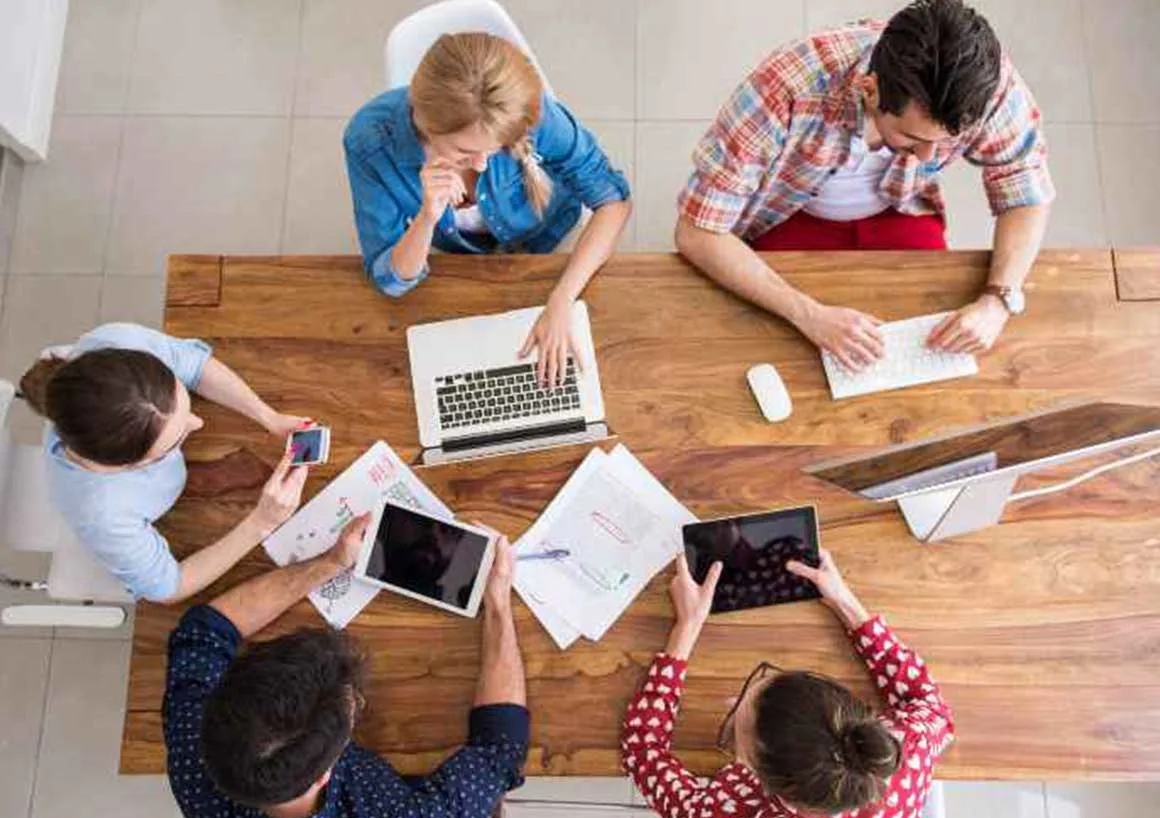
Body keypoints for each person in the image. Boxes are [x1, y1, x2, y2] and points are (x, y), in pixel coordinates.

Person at [674, 0, 1054, 372]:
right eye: (912, 138)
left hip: (902, 206)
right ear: (869, 89)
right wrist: (809, 315)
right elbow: (697, 232)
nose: (927, 157)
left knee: (934, 362)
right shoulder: (784, 88)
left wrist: (998, 300)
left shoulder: (986, 86)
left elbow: (1026, 187)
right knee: (775, 355)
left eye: (943, 142)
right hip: (788, 216)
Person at [164, 515, 529, 818]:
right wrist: (498, 602)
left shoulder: (197, 753)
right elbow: (500, 749)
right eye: (352, 703)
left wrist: (331, 562)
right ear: (327, 773)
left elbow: (205, 631)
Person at [622, 550, 954, 818]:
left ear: (752, 769)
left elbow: (641, 749)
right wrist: (844, 601)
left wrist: (687, 627)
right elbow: (930, 705)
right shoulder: (907, 750)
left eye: (736, 724)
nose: (730, 702)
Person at [345, 31, 632, 387]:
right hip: (460, 261)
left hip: (551, 235)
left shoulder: (534, 114)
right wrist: (425, 219)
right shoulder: (369, 142)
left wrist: (562, 299)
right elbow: (389, 280)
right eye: (464, 152)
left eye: (494, 150)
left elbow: (613, 201)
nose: (480, 165)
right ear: (425, 122)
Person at [18, 322, 313, 603]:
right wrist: (261, 524)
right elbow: (170, 587)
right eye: (174, 441)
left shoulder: (119, 344)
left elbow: (195, 366)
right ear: (128, 467)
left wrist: (267, 416)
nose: (198, 422)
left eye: (183, 402)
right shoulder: (103, 514)